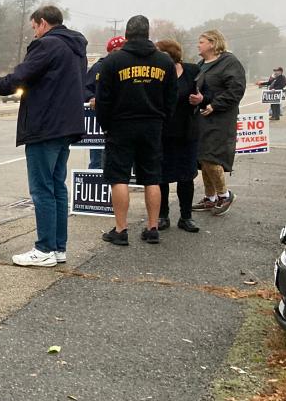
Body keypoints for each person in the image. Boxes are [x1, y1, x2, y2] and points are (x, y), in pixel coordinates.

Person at [0, 5, 87, 267]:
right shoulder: (76, 48)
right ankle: (57, 248)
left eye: (34, 28)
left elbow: (17, 80)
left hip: (44, 126)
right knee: (57, 187)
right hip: (66, 127)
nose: (34, 34)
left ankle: (44, 249)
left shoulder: (46, 45)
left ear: (42, 23)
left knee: (42, 189)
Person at [95, 15, 176, 245]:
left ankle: (121, 230)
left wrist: (106, 125)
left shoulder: (113, 62)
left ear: (127, 34)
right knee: (152, 178)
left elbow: (103, 100)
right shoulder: (164, 62)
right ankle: (152, 228)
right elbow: (171, 100)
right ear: (148, 33)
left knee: (119, 177)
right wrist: (162, 123)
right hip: (152, 126)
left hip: (121, 126)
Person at [189, 29, 247, 216]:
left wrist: (214, 104)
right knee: (203, 158)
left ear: (213, 43)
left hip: (220, 118)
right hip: (202, 117)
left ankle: (225, 195)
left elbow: (236, 90)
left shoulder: (229, 62)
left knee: (211, 157)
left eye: (202, 41)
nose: (198, 44)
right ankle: (210, 198)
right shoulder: (202, 64)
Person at [155, 39, 201, 233]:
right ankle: (162, 215)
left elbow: (206, 94)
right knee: (161, 177)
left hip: (186, 132)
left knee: (186, 176)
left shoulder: (192, 71)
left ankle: (186, 217)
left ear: (169, 55)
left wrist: (201, 99)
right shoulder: (156, 72)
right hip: (162, 133)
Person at [84, 35, 125, 170]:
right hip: (99, 124)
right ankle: (97, 188)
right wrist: (91, 98)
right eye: (117, 51)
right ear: (110, 51)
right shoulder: (98, 68)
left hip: (122, 122)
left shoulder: (129, 68)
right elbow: (84, 88)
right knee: (98, 158)